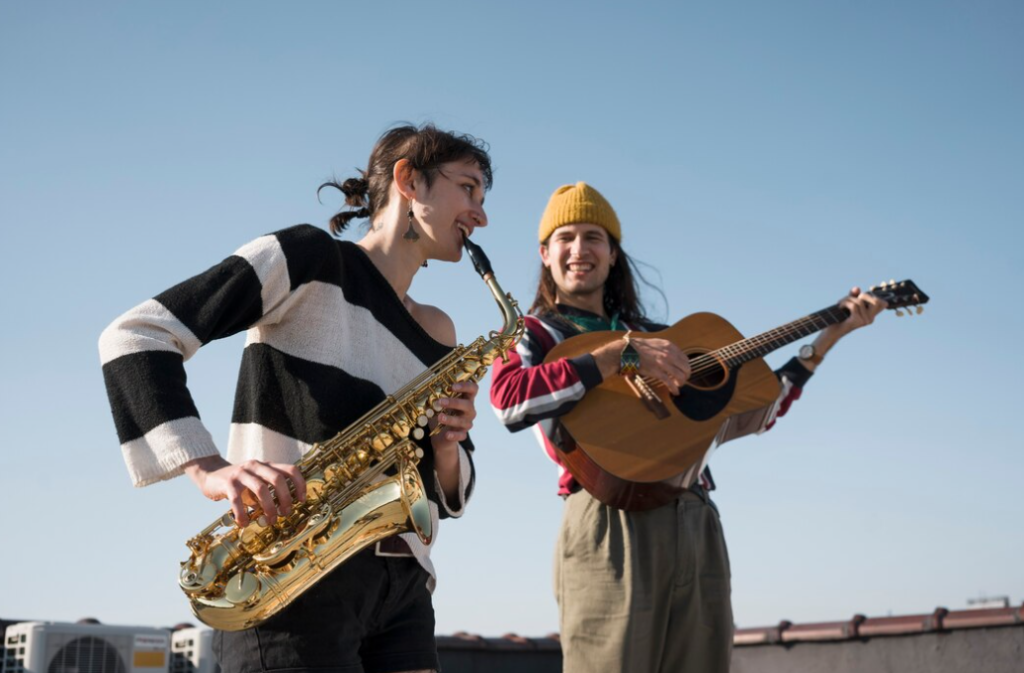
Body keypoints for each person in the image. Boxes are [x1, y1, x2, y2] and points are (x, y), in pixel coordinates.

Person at [100, 124, 493, 673]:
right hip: (293, 569)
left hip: (404, 586)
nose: (481, 215)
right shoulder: (305, 258)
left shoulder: (439, 330)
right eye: (470, 188)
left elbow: (450, 495)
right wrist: (209, 469)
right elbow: (135, 336)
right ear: (409, 179)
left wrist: (449, 443)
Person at [489, 182, 887, 673]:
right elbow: (509, 401)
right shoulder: (533, 333)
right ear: (545, 253)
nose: (579, 249)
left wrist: (827, 340)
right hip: (607, 521)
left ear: (613, 254)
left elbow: (756, 410)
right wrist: (616, 356)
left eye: (594, 236)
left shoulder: (662, 340)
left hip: (695, 518)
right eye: (566, 236)